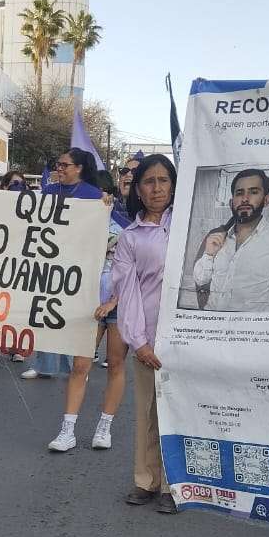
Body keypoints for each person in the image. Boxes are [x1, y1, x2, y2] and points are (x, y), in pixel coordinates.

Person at [116, 154, 177, 512]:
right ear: (138, 190)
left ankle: (175, 485)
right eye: (149, 182)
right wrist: (138, 342)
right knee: (147, 412)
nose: (157, 188)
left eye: (163, 180)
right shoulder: (130, 238)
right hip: (148, 340)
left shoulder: (188, 224)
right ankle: (146, 481)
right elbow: (128, 293)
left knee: (179, 413)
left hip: (186, 341)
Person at [21, 148, 105, 380]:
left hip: (78, 265)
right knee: (44, 312)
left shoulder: (93, 195)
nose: (59, 169)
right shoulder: (49, 191)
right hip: (48, 262)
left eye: (64, 165)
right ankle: (44, 365)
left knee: (73, 317)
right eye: (57, 164)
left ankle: (75, 368)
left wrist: (107, 204)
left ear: (78, 168)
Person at [47, 229, 128, 452]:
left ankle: (104, 427)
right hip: (88, 302)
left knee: (115, 364)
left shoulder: (133, 225)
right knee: (80, 365)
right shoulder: (93, 218)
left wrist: (114, 302)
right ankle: (67, 430)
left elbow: (137, 269)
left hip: (122, 305)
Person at [192, 168, 269, 312]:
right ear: (231, 202)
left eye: (253, 192)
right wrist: (208, 254)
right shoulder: (218, 237)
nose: (245, 199)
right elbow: (200, 280)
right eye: (239, 193)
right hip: (210, 319)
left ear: (267, 200)